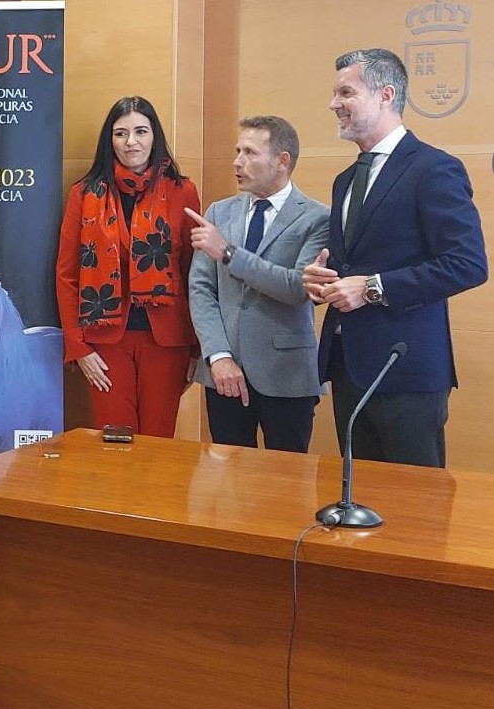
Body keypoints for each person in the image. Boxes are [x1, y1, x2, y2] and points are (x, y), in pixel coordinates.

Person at [302, 48, 487, 467]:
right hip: (348, 367)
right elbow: (348, 265)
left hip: (407, 372)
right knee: (360, 506)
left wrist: (371, 288)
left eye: (345, 92)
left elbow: (468, 264)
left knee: (415, 515)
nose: (334, 104)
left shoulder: (434, 168)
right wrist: (319, 281)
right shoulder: (345, 179)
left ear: (385, 94)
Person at [55, 96, 201, 437]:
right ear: (110, 141)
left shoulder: (182, 191)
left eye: (140, 131)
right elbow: (67, 276)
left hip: (166, 341)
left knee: (157, 443)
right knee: (114, 444)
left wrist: (196, 348)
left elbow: (195, 271)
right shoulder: (85, 193)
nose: (131, 142)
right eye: (120, 134)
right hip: (105, 342)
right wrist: (79, 348)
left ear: (155, 137)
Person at [186, 116, 328, 452]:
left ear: (282, 161)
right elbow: (201, 288)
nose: (237, 162)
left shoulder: (317, 217)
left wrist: (230, 253)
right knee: (229, 484)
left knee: (287, 483)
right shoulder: (219, 212)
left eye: (249, 152)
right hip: (224, 372)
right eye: (237, 151)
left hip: (287, 374)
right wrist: (217, 355)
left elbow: (297, 288)